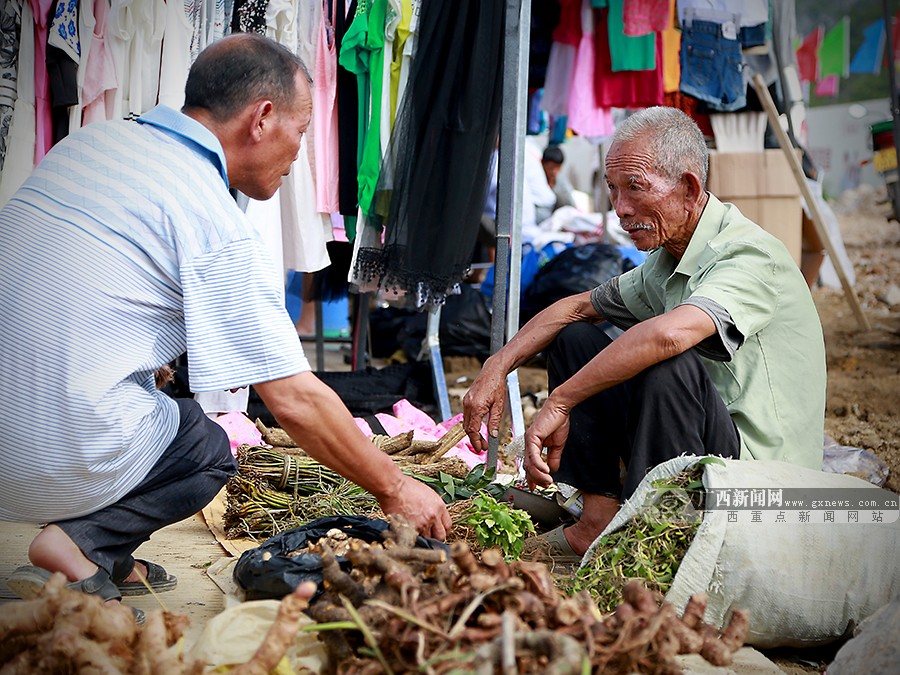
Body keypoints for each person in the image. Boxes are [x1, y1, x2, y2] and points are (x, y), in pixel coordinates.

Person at [0, 34, 450, 616]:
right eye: (302, 132)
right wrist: (395, 487)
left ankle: (108, 551)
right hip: (47, 454)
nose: (301, 154)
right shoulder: (207, 211)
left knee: (156, 389)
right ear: (262, 119)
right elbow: (291, 399)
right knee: (207, 446)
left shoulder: (92, 143)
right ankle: (77, 547)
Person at [463, 106, 826, 559]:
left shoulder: (747, 256)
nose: (620, 209)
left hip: (762, 476)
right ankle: (594, 523)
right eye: (613, 190)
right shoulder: (665, 262)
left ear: (689, 188)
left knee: (668, 363)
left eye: (635, 188)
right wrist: (496, 366)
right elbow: (574, 308)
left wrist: (559, 401)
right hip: (699, 442)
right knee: (576, 338)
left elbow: (668, 338)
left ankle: (653, 544)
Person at [540, 145, 577, 214]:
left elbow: (571, 203)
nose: (554, 172)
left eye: (557, 168)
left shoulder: (561, 181)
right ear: (542, 163)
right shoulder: (537, 180)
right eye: (551, 167)